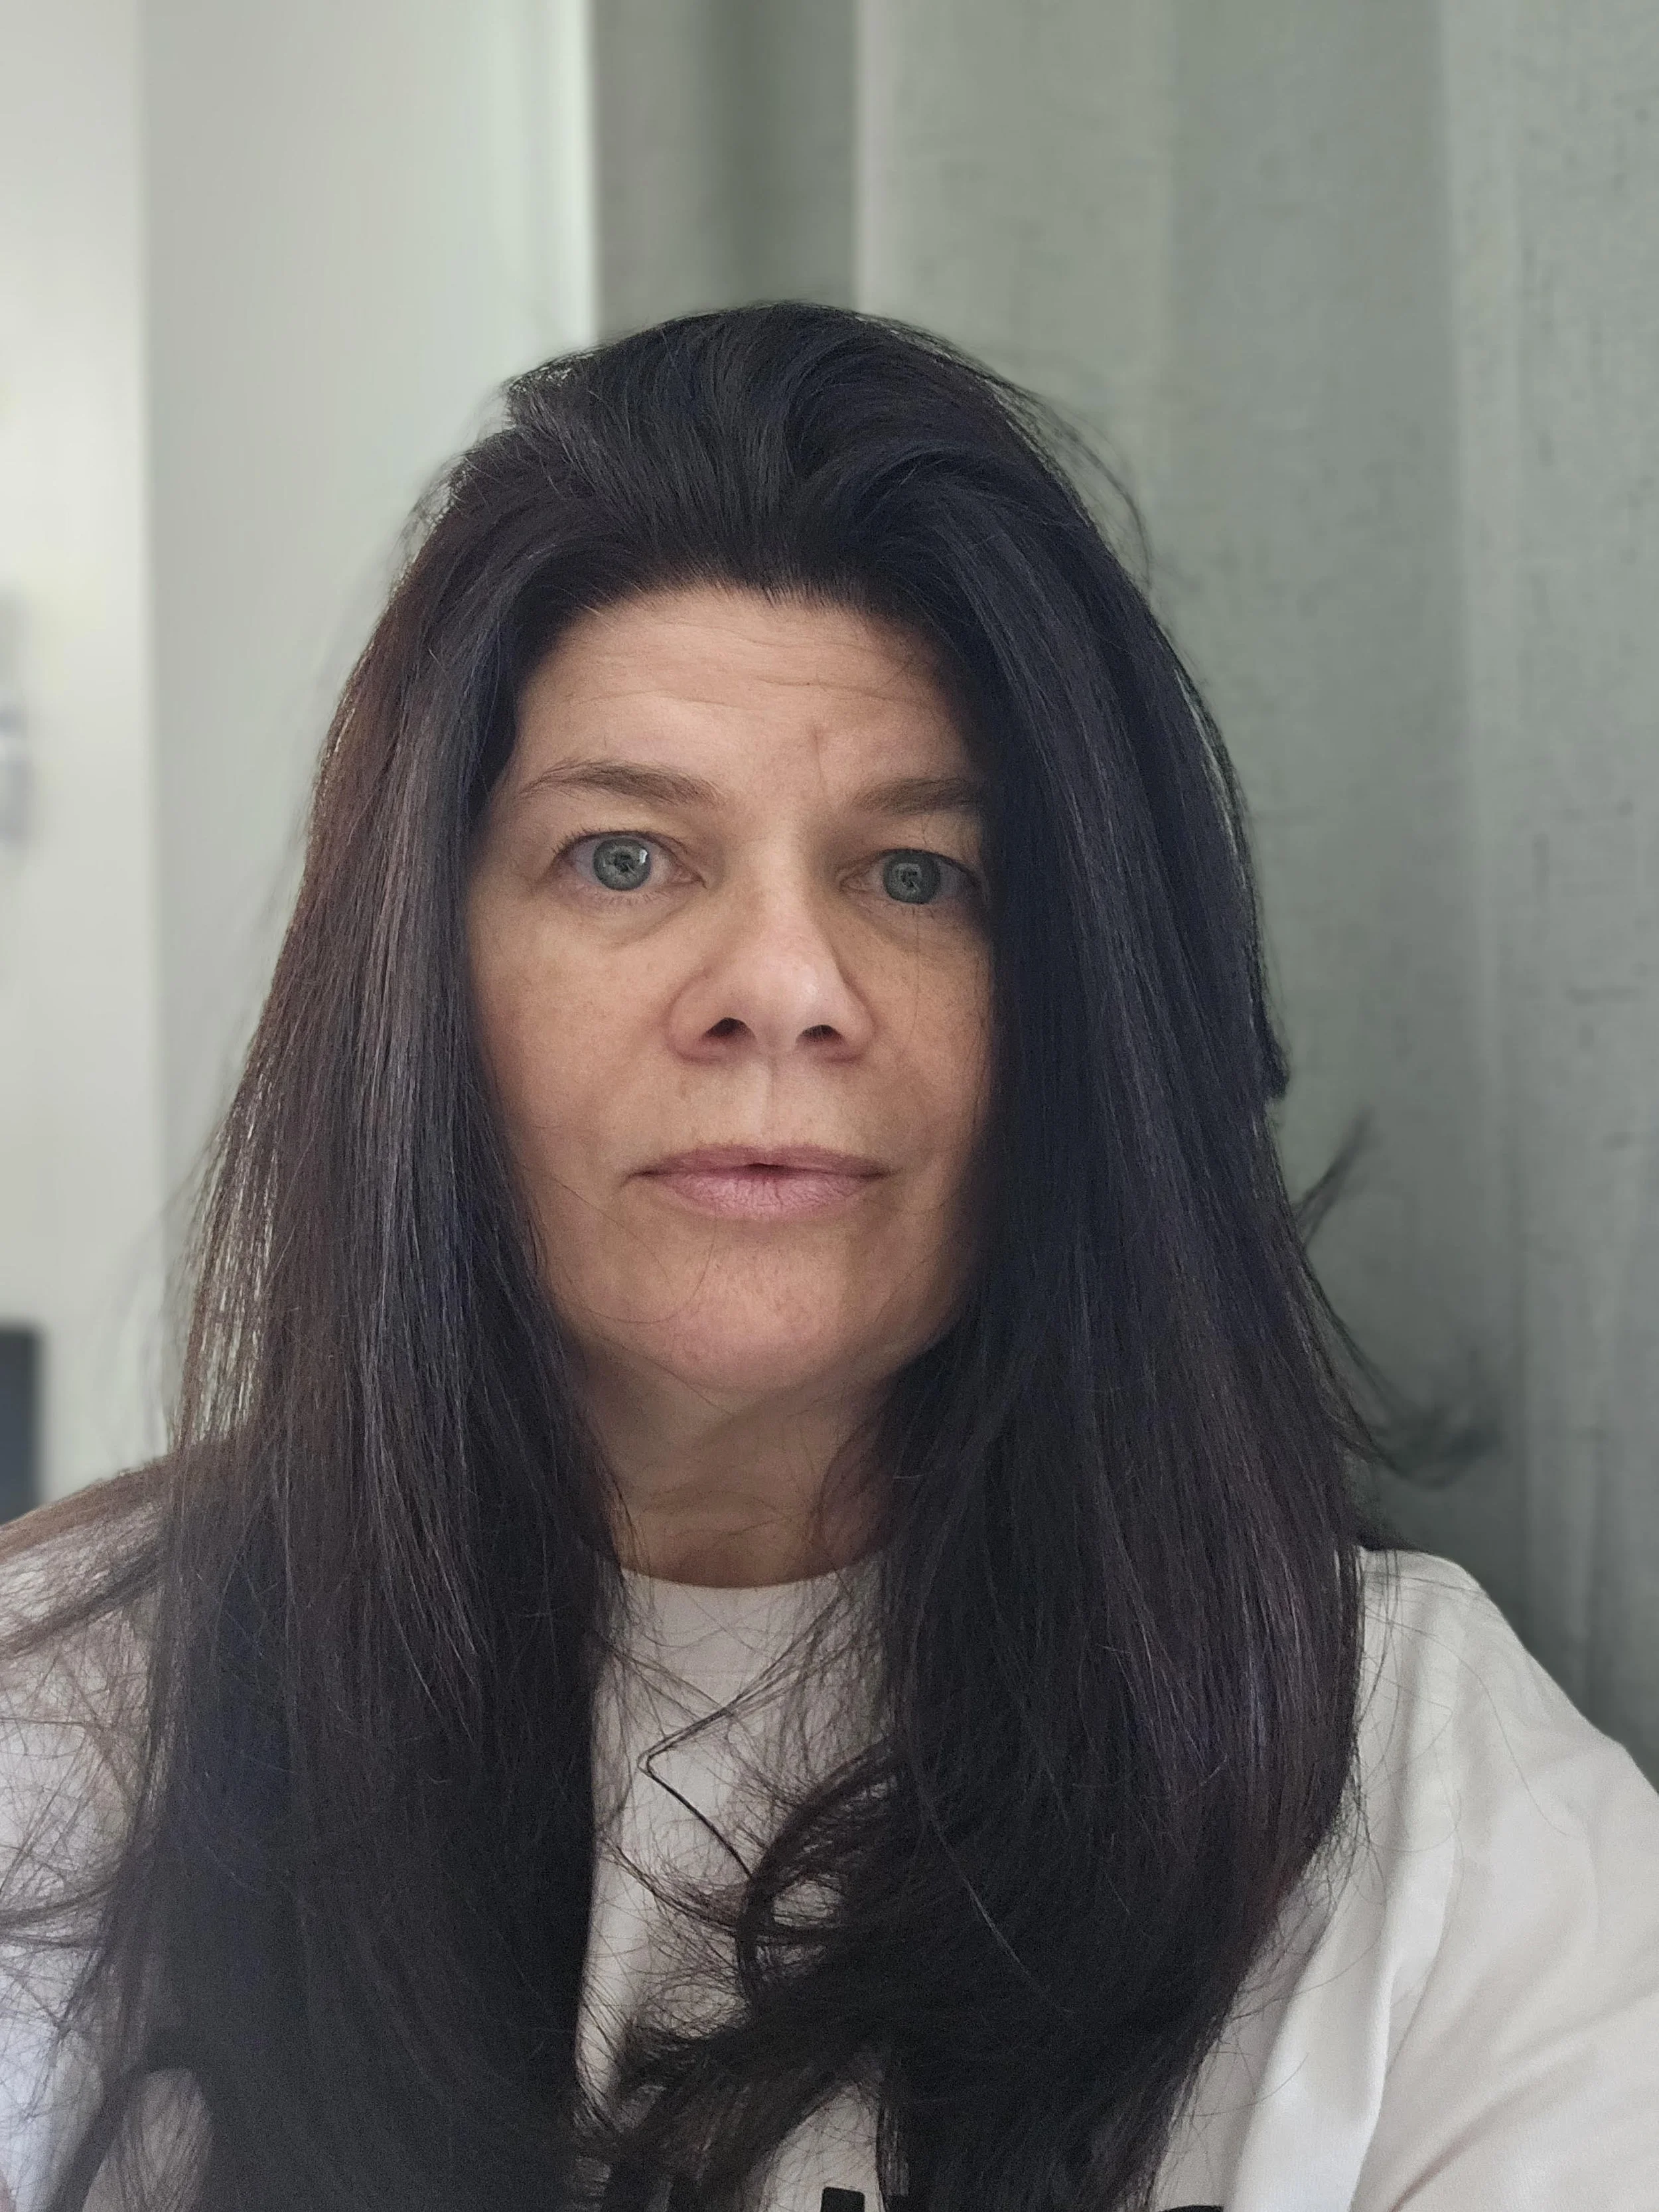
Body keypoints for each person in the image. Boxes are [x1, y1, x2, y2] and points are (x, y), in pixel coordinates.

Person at [1, 303, 1655, 2212]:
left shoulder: (1423, 1802)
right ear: (422, 995)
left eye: (915, 875)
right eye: (623, 857)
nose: (780, 990)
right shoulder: (77, 1732)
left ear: (1079, 1021)